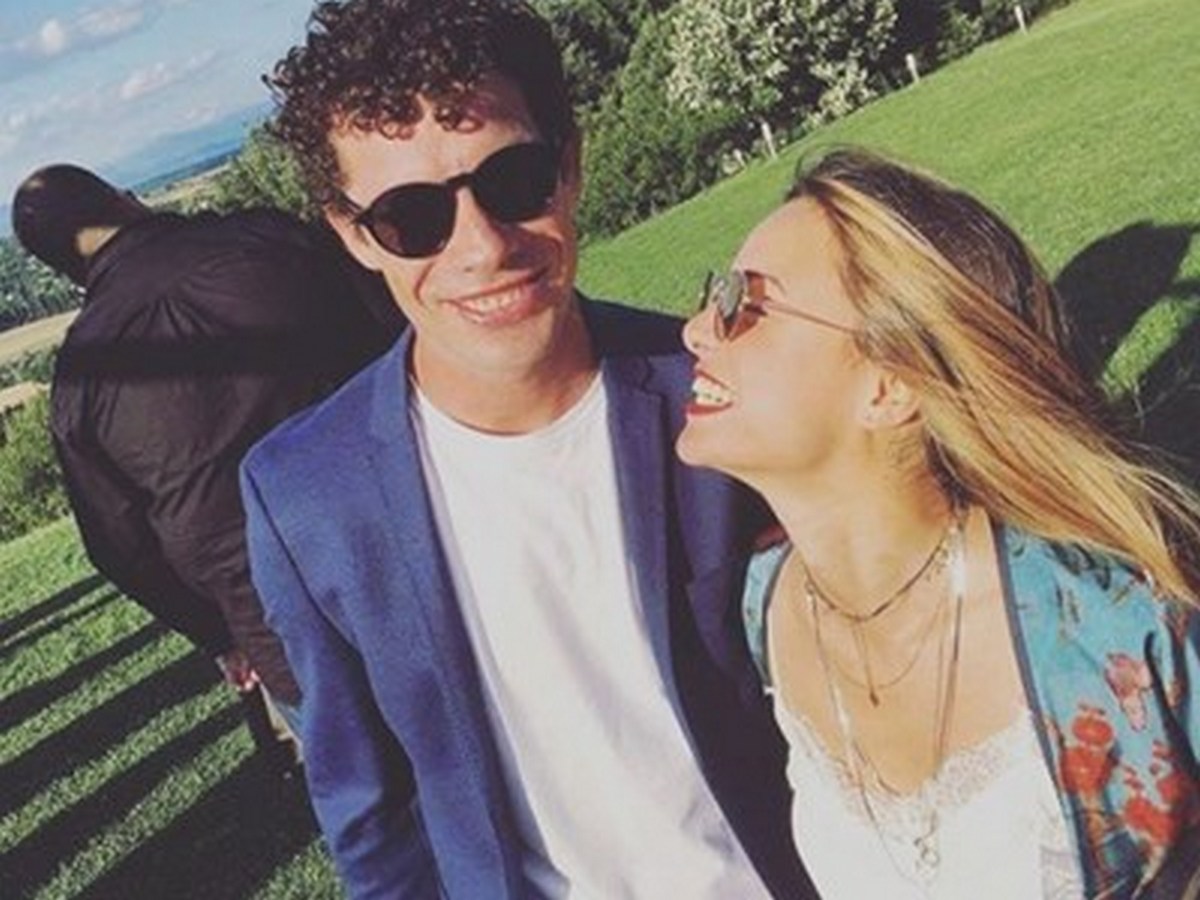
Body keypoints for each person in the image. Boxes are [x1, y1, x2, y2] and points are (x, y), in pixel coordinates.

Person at [240, 0, 813, 897]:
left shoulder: (716, 384)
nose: (483, 247)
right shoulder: (304, 496)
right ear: (354, 235)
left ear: (569, 167)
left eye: (513, 180)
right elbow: (373, 819)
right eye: (411, 217)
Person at [678, 148, 1200, 898]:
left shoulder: (1119, 627)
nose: (697, 330)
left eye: (745, 305)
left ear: (891, 386)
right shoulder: (765, 610)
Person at [10, 164, 399, 769]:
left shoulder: (79, 384)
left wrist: (220, 634)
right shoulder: (265, 239)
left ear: (64, 268)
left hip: (278, 628)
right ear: (126, 198)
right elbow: (395, 330)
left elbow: (119, 549)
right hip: (411, 543)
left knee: (378, 805)